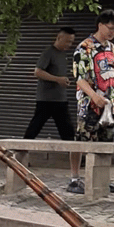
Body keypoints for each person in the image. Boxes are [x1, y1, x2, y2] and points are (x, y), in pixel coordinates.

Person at [22, 27, 80, 190]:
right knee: (34, 128)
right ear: (59, 38)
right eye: (67, 41)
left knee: (69, 134)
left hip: (61, 100)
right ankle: (19, 159)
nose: (69, 44)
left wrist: (64, 80)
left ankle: (74, 175)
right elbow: (37, 72)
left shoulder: (64, 55)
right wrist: (57, 79)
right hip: (46, 100)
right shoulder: (48, 52)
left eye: (72, 41)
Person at [71, 9, 114, 194]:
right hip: (90, 102)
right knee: (82, 139)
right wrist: (94, 96)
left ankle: (102, 179)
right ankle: (75, 179)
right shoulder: (85, 47)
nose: (113, 33)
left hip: (109, 102)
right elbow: (80, 78)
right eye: (111, 28)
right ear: (100, 25)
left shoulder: (111, 47)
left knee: (105, 142)